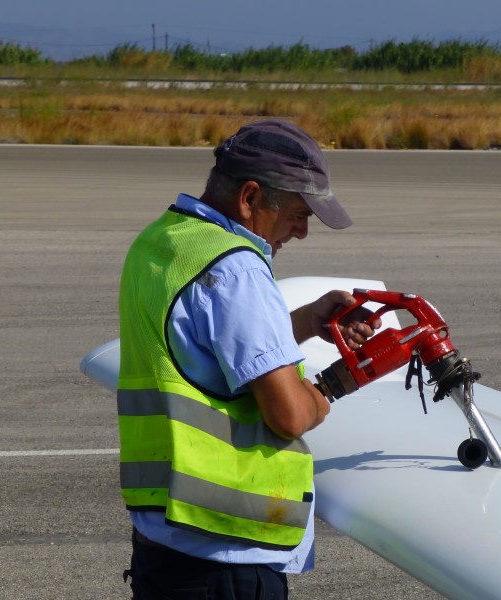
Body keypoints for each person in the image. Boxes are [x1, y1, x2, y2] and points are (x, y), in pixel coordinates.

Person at [117, 119, 377, 599]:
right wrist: (340, 381)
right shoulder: (237, 269)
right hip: (225, 556)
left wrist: (302, 322)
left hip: (163, 534)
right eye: (299, 214)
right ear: (251, 198)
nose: (302, 232)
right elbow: (290, 415)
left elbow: (203, 344)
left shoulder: (163, 241)